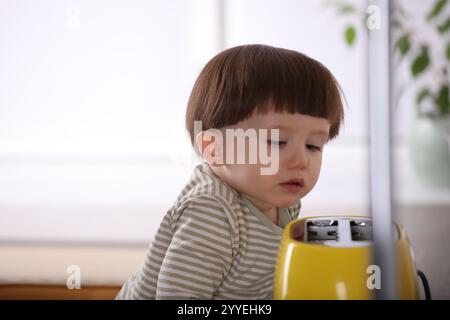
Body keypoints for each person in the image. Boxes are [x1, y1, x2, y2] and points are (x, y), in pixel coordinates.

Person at [116, 44, 344, 299]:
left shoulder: (283, 200)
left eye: (314, 145)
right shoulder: (212, 211)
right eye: (278, 142)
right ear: (214, 149)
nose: (301, 160)